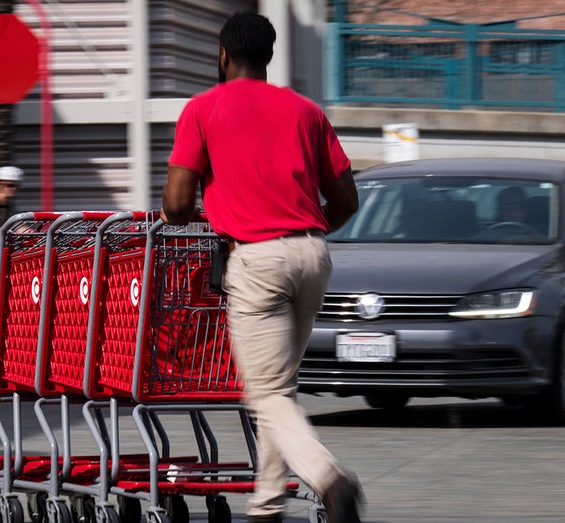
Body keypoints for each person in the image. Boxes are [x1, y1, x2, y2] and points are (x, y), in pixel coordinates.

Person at [160, 10, 361, 523]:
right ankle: (266, 506)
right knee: (282, 389)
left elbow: (179, 205)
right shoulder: (306, 111)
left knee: (265, 392)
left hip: (256, 258)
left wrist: (175, 213)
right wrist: (307, 228)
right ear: (268, 57)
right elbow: (346, 198)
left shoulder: (202, 109)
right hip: (312, 252)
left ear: (223, 56)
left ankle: (328, 477)